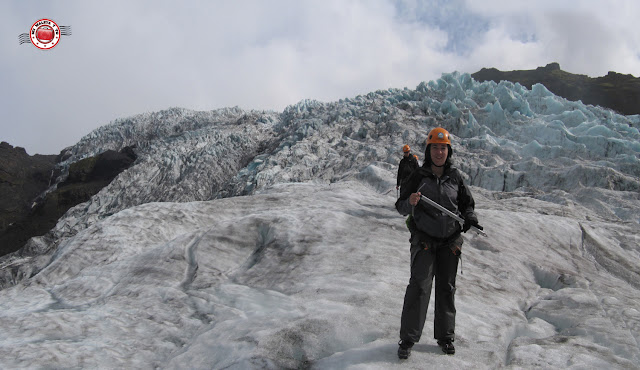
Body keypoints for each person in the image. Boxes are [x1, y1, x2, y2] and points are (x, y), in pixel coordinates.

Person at [395, 127, 482, 358]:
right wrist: (410, 202)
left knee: (446, 288)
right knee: (419, 287)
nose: (439, 152)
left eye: (443, 148)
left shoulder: (455, 177)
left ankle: (445, 338)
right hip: (424, 240)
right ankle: (407, 339)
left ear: (448, 150)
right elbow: (400, 205)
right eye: (435, 147)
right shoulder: (419, 176)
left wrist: (470, 218)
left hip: (450, 242)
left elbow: (467, 204)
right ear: (429, 150)